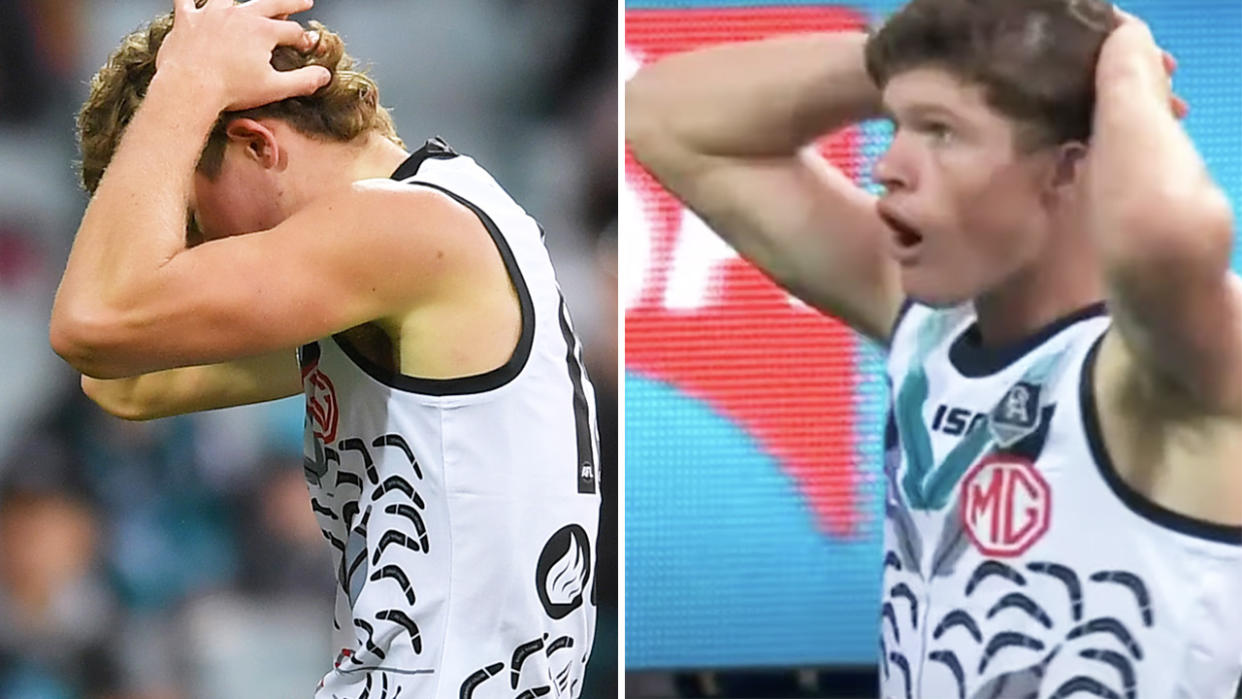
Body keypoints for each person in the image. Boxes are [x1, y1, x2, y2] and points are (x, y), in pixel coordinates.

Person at [627, 0, 1242, 696]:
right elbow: (659, 117)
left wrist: (1126, 66)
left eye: (942, 133)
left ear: (1069, 168)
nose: (888, 165)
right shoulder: (928, 329)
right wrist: (913, 58)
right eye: (898, 126)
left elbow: (1164, 236)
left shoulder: (1172, 372)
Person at [50, 1, 601, 697]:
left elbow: (95, 321)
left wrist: (184, 85)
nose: (195, 250)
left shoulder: (397, 229)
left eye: (194, 218)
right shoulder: (421, 237)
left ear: (258, 144)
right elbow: (120, 379)